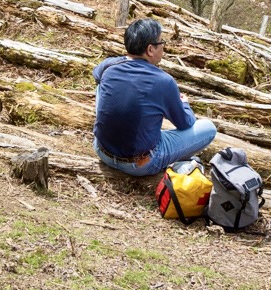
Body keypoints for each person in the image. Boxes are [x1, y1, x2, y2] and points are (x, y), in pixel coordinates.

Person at [92, 19, 217, 177]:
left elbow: (97, 76)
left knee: (100, 84)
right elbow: (185, 123)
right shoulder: (163, 81)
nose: (163, 46)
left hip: (102, 151)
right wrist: (185, 105)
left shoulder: (108, 66)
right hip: (139, 165)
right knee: (209, 128)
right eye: (161, 41)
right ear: (150, 49)